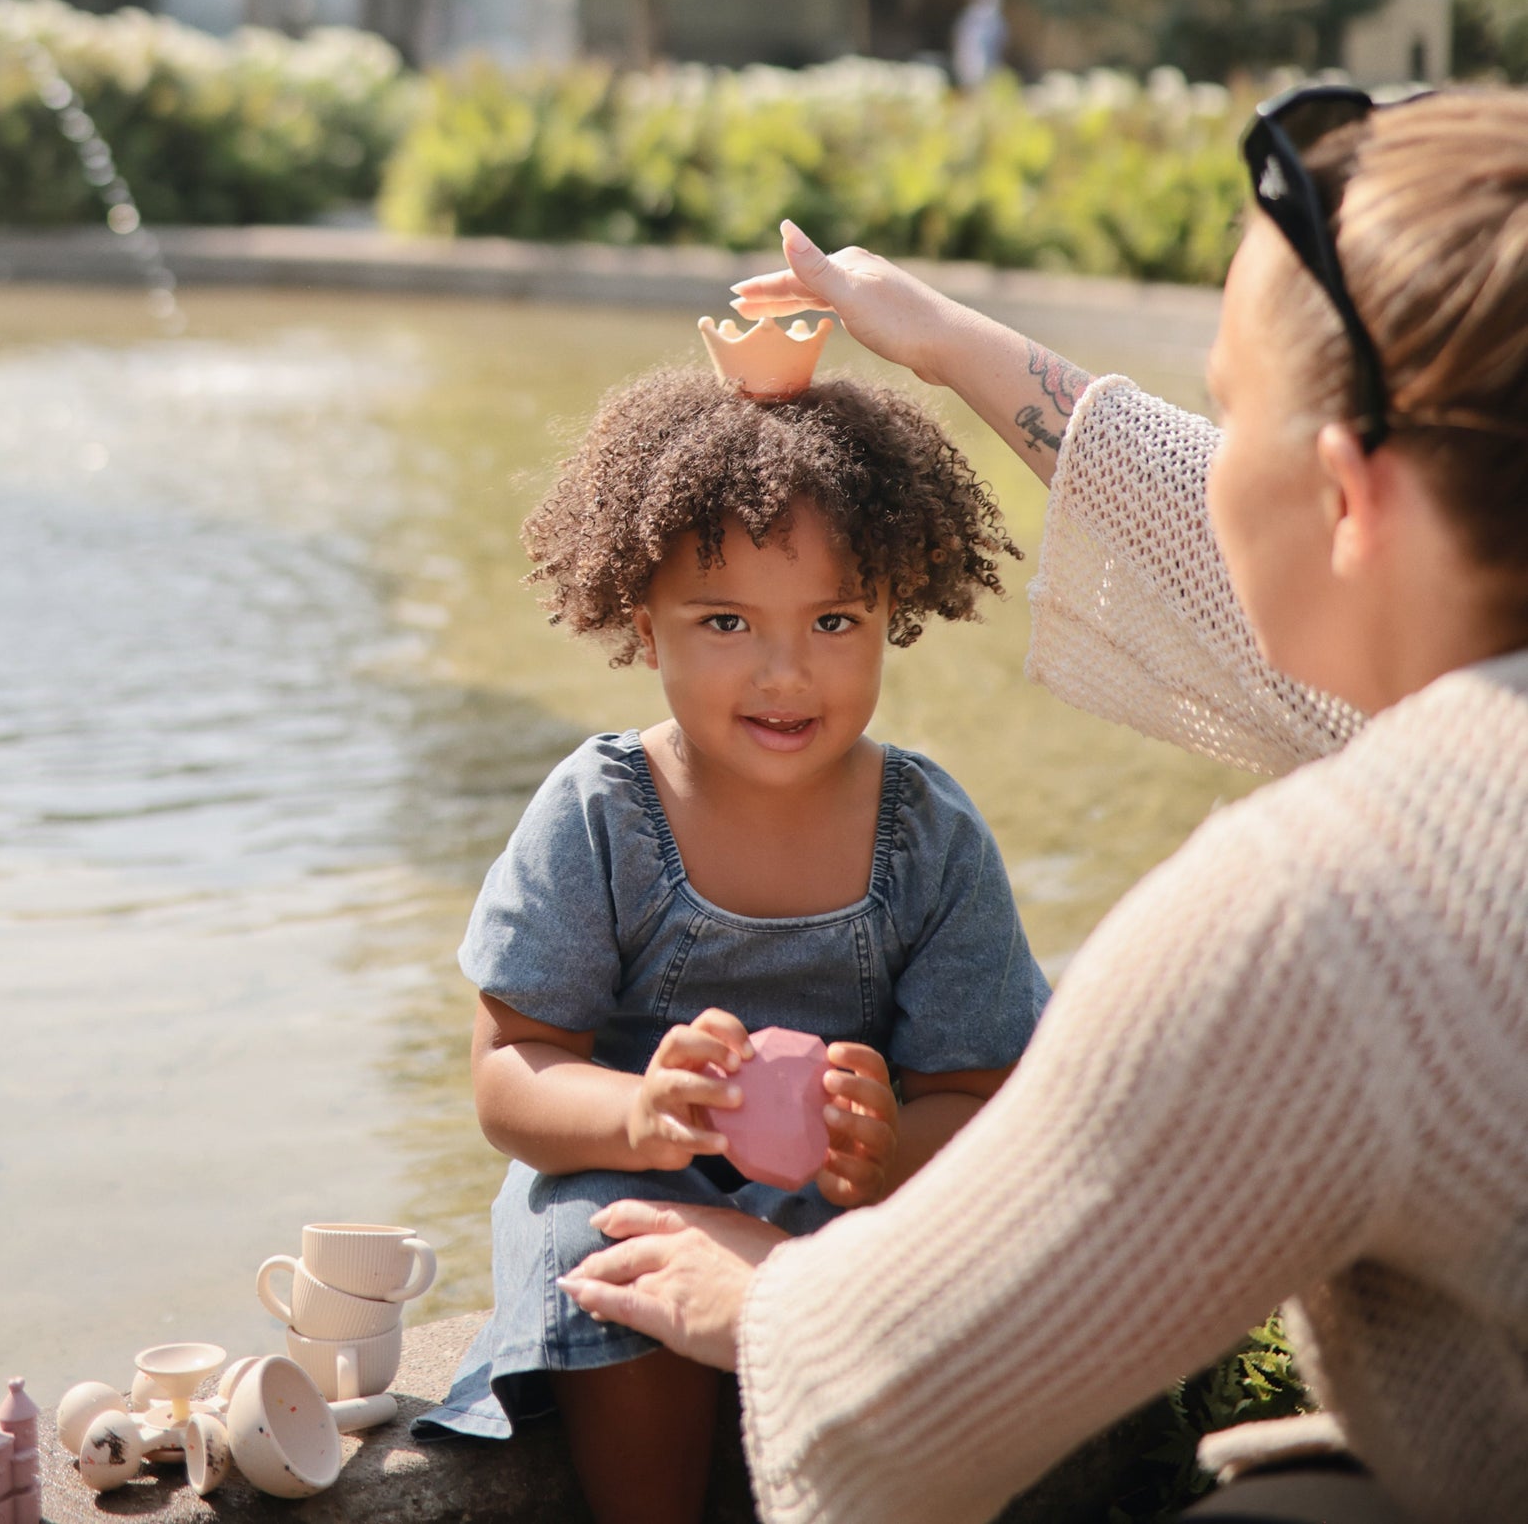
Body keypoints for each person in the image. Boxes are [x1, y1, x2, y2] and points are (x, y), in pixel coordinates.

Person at [560, 89, 1528, 1524]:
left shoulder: (1331, 909)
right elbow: (1259, 575)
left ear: (1340, 494)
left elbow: (898, 1416)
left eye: (1229, 409)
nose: (1208, 465)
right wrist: (946, 343)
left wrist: (772, 1301)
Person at [414, 366, 1053, 1524]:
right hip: (629, 1184)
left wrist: (887, 1148)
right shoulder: (598, 811)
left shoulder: (928, 832)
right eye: (723, 622)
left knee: (922, 1260)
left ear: (891, 610)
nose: (783, 671)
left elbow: (978, 1087)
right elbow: (509, 1068)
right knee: (608, 1244)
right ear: (636, 619)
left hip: (832, 1205)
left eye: (832, 619)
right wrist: (638, 1115)